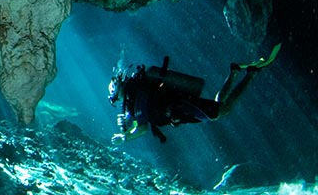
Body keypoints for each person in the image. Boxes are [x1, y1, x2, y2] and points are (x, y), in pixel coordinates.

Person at [109, 44, 281, 143]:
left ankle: (250, 74)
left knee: (223, 110)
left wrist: (124, 138)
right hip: (182, 108)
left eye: (116, 97)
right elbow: (137, 119)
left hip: (183, 108)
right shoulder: (136, 95)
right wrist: (126, 127)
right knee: (218, 107)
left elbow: (142, 128)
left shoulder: (137, 96)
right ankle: (234, 71)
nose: (119, 101)